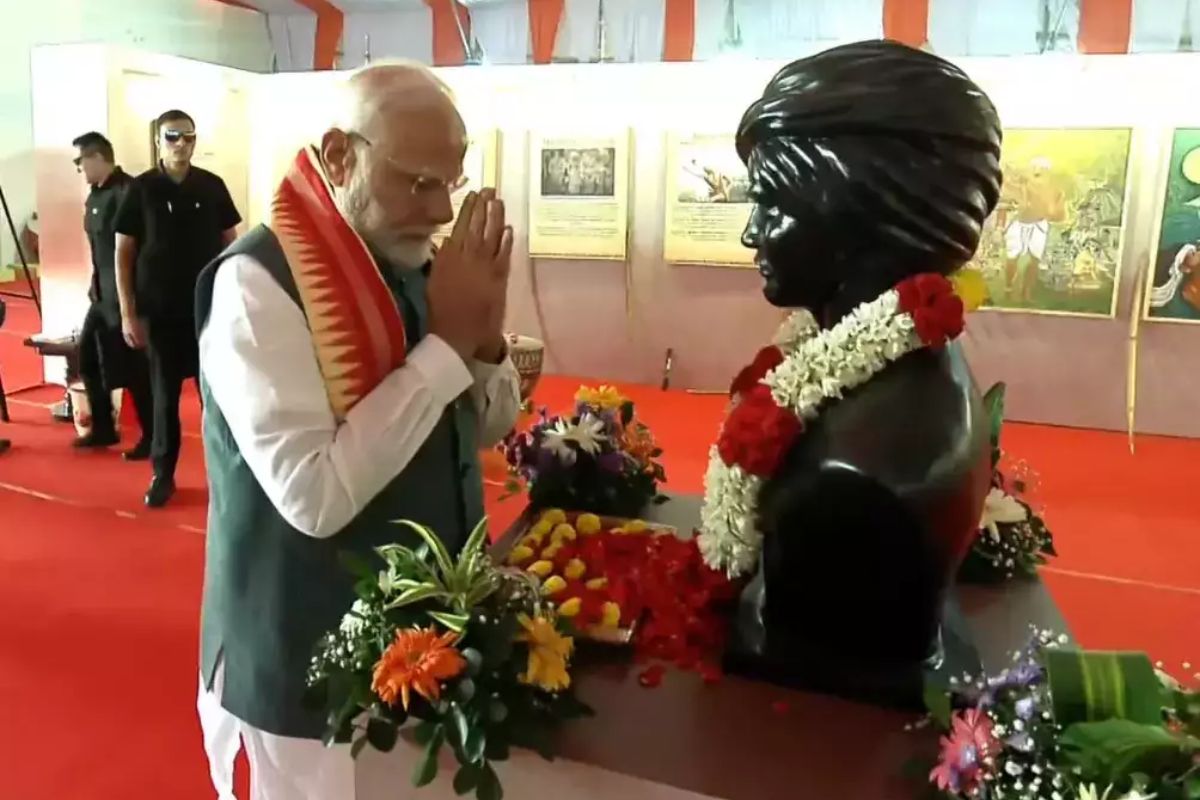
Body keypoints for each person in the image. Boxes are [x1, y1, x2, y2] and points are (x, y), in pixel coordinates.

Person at [194, 61, 520, 798]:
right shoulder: (257, 285)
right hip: (306, 663)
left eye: (452, 182)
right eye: (417, 181)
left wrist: (487, 337)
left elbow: (487, 431)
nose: (440, 210)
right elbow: (314, 498)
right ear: (341, 155)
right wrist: (445, 345)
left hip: (425, 643)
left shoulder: (416, 261)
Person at [114, 110, 242, 507]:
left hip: (208, 311)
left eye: (188, 137)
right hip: (161, 312)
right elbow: (123, 253)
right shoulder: (141, 189)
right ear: (158, 141)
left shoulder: (212, 186)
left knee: (217, 398)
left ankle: (227, 475)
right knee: (165, 398)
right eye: (173, 137)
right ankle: (162, 474)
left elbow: (231, 244)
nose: (182, 144)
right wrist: (128, 313)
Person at [70, 131, 154, 455]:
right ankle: (104, 429)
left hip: (126, 296)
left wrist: (131, 304)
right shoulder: (94, 196)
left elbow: (138, 250)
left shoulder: (128, 192)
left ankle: (151, 437)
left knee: (135, 371)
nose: (79, 168)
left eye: (80, 161)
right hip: (100, 296)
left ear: (96, 157)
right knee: (88, 361)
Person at [1003, 156, 1066, 303]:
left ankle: (1027, 292)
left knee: (1035, 260)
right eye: (1035, 169)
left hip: (1039, 225)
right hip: (1019, 224)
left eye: (1041, 170)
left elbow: (1059, 213)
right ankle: (1008, 288)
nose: (1037, 172)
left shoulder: (1055, 191)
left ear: (1047, 173)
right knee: (1012, 257)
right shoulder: (1022, 185)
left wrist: (1052, 212)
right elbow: (1007, 187)